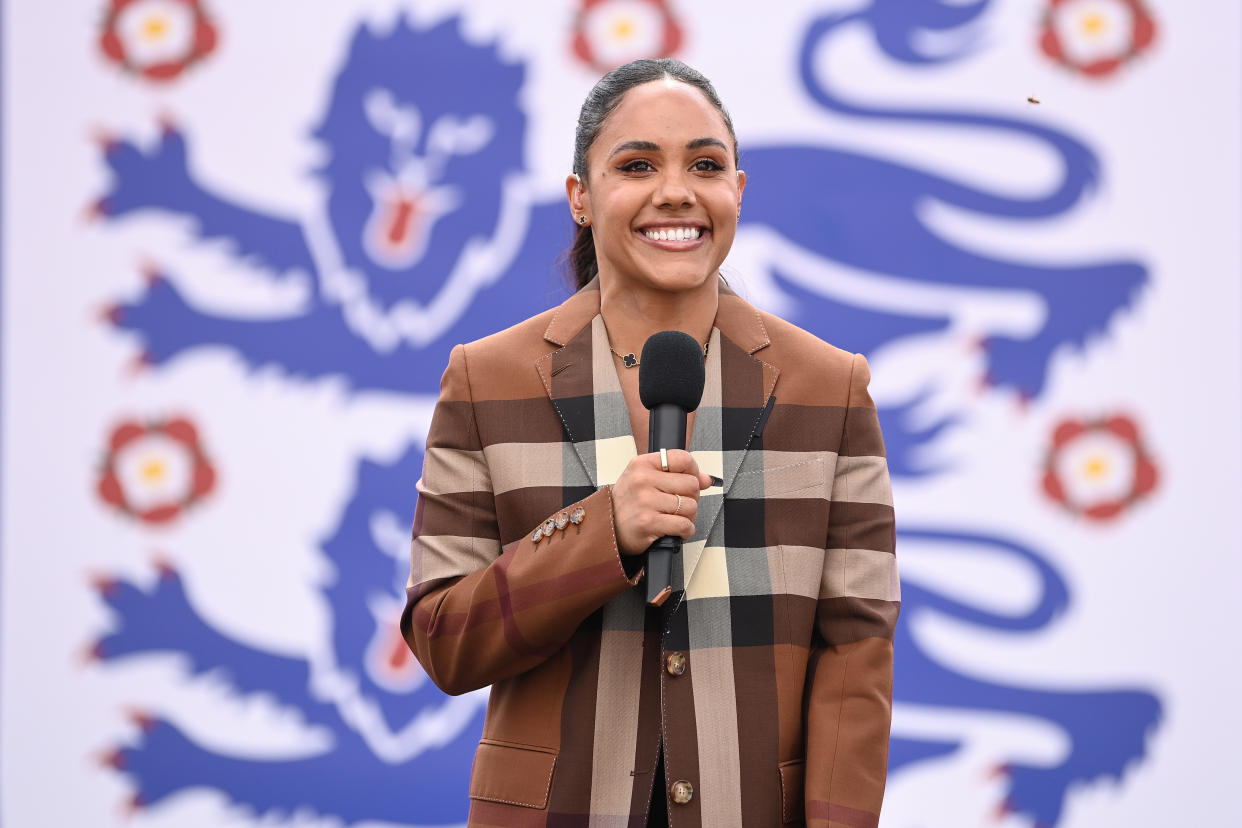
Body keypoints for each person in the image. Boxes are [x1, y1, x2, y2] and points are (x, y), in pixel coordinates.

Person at [400, 58, 898, 828]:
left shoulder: (830, 388)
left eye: (705, 164)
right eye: (637, 165)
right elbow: (443, 641)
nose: (676, 191)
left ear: (738, 189)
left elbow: (856, 654)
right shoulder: (485, 380)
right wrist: (602, 532)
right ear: (580, 198)